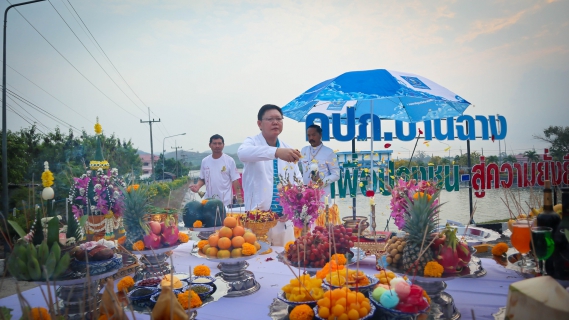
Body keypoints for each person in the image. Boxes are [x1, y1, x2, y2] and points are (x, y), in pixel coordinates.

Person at [238, 104, 302, 245]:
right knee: (258, 262)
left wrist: (292, 207)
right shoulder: (252, 142)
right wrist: (275, 152)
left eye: (279, 119)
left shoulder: (287, 148)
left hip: (283, 220)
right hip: (258, 221)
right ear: (259, 124)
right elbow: (242, 154)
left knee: (285, 261)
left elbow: (297, 182)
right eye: (270, 119)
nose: (275, 122)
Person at [189, 134, 242, 206]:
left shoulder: (229, 161)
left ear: (223, 145)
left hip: (226, 202)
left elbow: (235, 180)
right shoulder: (205, 161)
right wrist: (197, 186)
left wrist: (239, 199)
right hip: (208, 201)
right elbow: (202, 178)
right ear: (210, 145)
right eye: (214, 143)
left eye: (219, 143)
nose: (217, 146)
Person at [299, 124, 340, 200]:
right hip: (306, 194)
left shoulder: (328, 152)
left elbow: (336, 174)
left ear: (320, 135)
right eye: (309, 135)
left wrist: (321, 181)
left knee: (323, 211)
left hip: (322, 195)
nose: (311, 138)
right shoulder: (304, 150)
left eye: (314, 135)